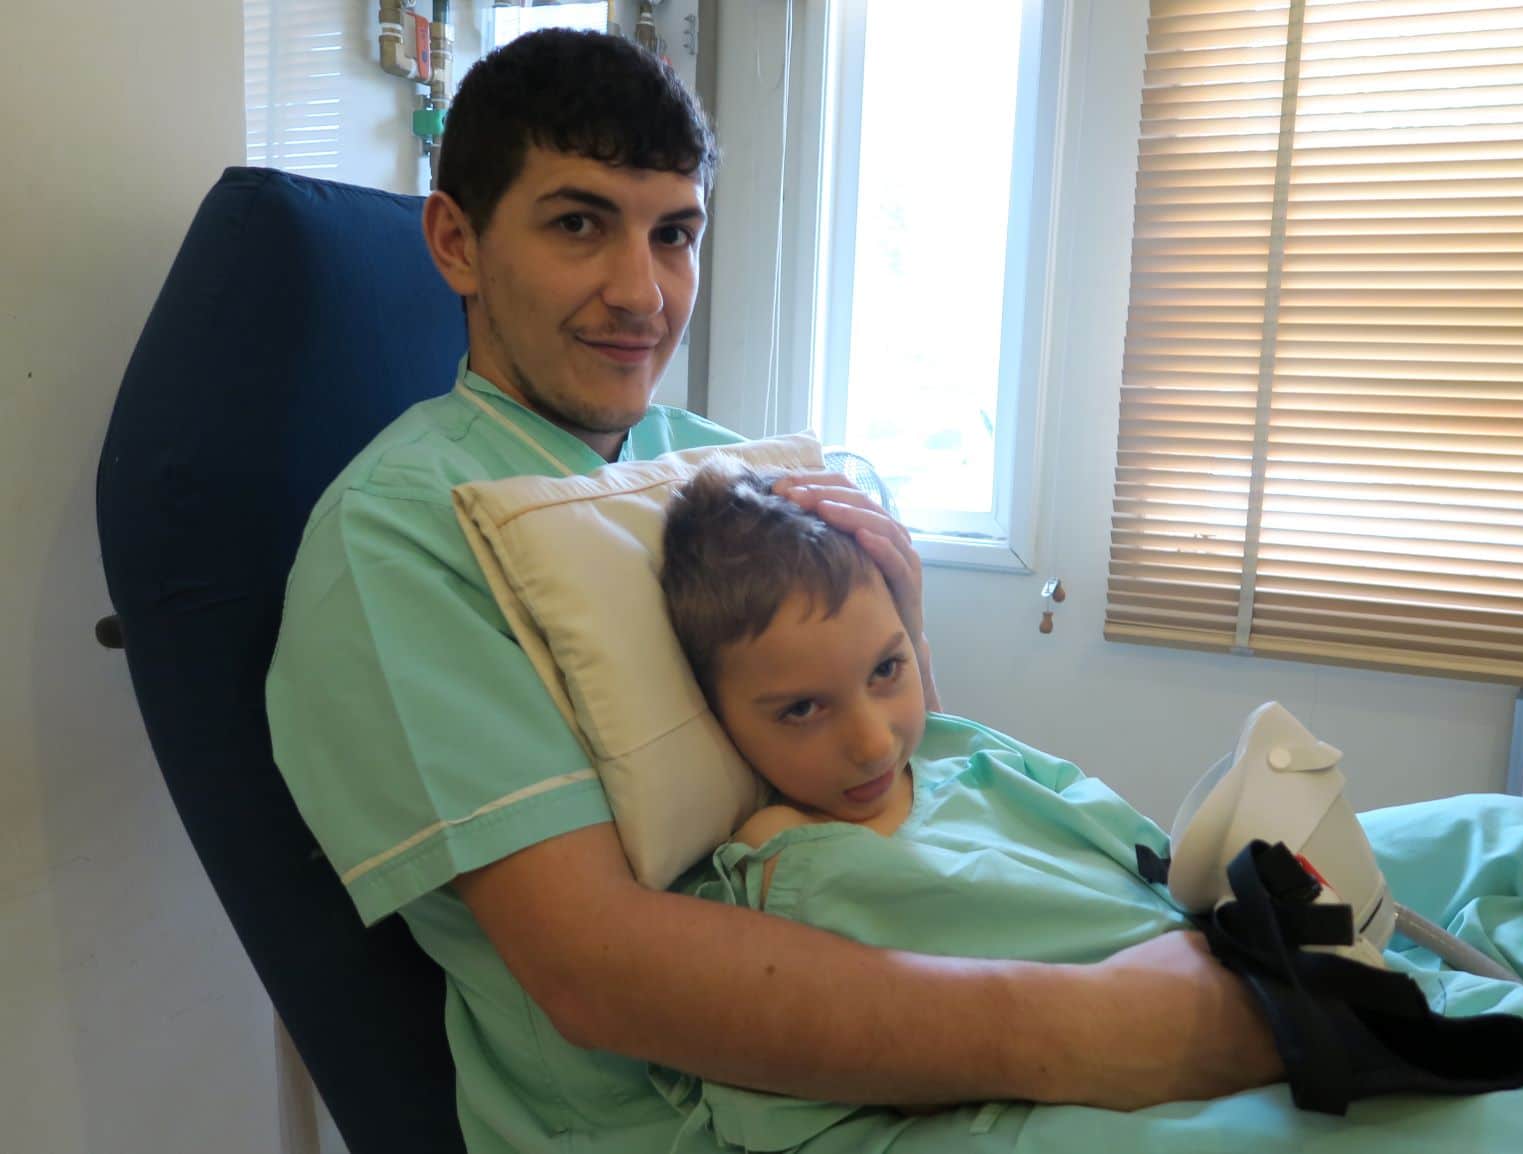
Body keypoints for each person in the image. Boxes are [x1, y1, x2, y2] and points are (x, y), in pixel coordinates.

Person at [264, 28, 1289, 1154]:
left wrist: (906, 639)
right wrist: (1110, 1024)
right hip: (708, 1112)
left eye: (675, 234)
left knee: (1489, 866)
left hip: (908, 946)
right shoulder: (402, 536)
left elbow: (878, 768)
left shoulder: (718, 465)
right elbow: (596, 971)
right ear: (456, 240)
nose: (641, 292)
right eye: (577, 224)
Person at [652, 461, 1523, 1152]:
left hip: (1231, 939)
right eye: (800, 708)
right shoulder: (796, 884)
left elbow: (1115, 848)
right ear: (713, 715)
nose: (871, 737)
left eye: (887, 671)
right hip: (1211, 1017)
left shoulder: (954, 758)